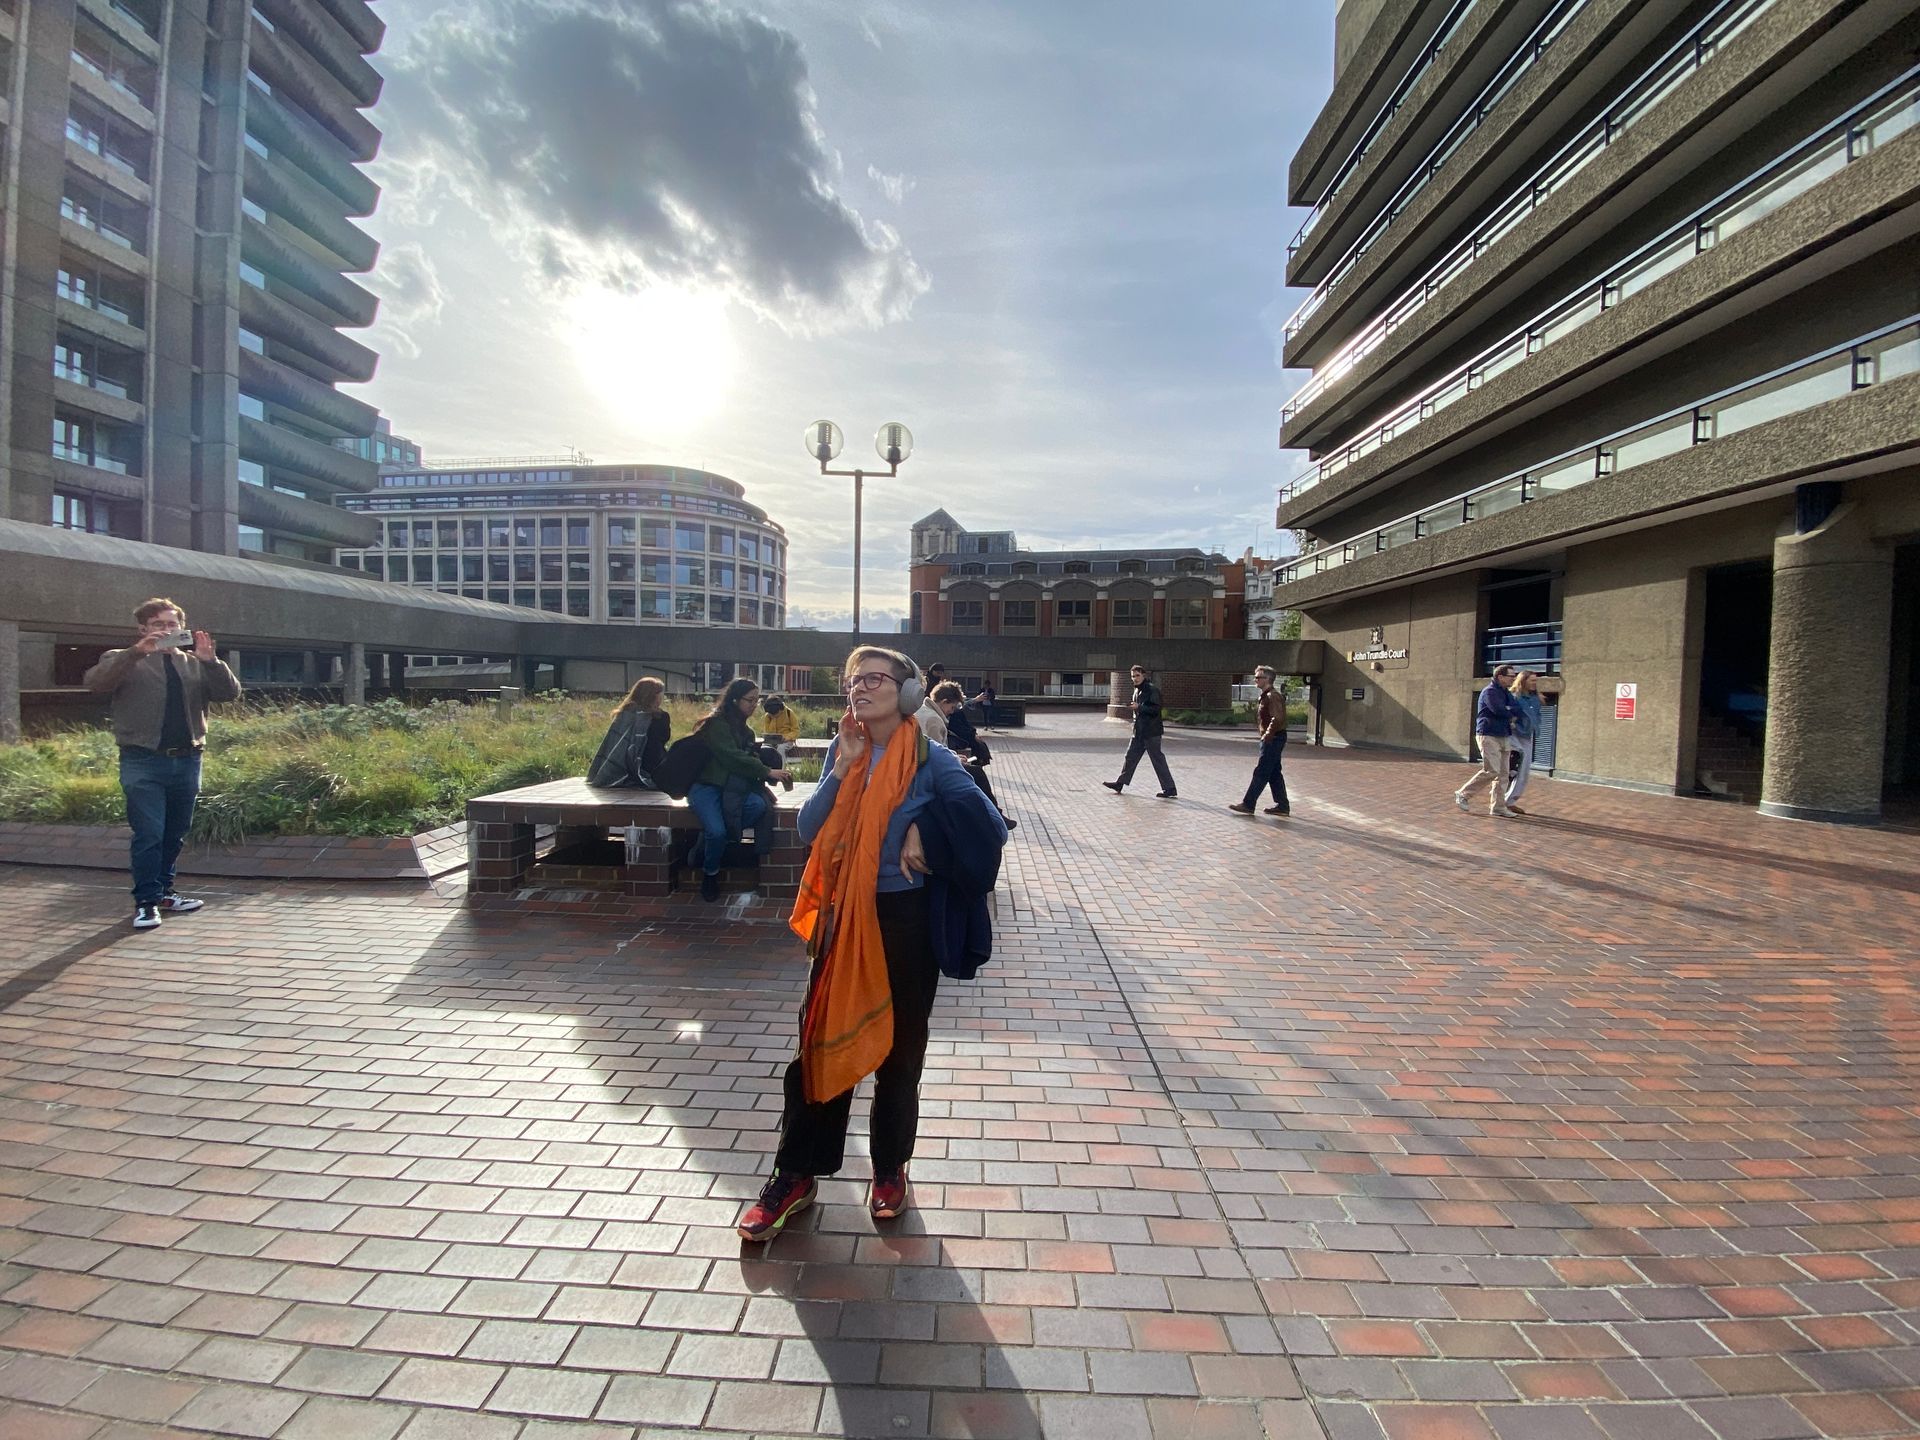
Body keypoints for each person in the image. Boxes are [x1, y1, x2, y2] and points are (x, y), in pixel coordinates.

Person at [737, 646, 1006, 1241]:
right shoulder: (844, 749)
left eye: (874, 679)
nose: (859, 688)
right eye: (853, 680)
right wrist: (841, 769)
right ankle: (796, 1173)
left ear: (907, 692)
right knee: (818, 1042)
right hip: (843, 917)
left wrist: (926, 830)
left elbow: (989, 825)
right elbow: (808, 828)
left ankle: (889, 1168)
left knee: (901, 1050)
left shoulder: (933, 759)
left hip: (906, 918)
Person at [83, 598, 241, 930]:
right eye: (158, 625)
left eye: (172, 624)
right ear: (143, 629)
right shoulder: (123, 658)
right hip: (142, 760)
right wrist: (136, 652)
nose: (166, 630)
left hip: (187, 759)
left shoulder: (194, 663)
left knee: (174, 833)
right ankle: (146, 902)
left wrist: (212, 662)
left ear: (182, 627)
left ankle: (165, 893)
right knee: (149, 834)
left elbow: (229, 693)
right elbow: (96, 683)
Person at [688, 679, 792, 902]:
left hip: (732, 789)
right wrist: (767, 771)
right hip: (706, 787)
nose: (754, 705)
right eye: (750, 700)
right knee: (717, 831)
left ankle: (708, 845)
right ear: (735, 700)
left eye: (757, 700)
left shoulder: (746, 731)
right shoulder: (716, 724)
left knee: (758, 806)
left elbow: (746, 759)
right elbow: (732, 757)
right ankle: (710, 874)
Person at [932, 680, 1016, 830]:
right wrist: (954, 760)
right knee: (976, 775)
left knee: (975, 772)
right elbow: (935, 757)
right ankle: (994, 817)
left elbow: (937, 751)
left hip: (938, 767)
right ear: (944, 702)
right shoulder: (933, 720)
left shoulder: (932, 715)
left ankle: (994, 815)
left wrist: (954, 757)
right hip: (936, 773)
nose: (952, 711)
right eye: (952, 707)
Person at [1455, 664, 1519, 818]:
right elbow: (1499, 710)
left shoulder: (1506, 693)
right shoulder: (1489, 692)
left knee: (1503, 774)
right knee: (1492, 770)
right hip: (1488, 734)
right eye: (1511, 676)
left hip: (1504, 734)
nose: (1513, 678)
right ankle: (1463, 794)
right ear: (1500, 677)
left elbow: (1517, 709)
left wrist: (1509, 709)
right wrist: (1509, 710)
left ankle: (1498, 807)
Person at [1102, 664, 1176, 798]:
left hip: (1151, 732)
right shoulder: (1137, 690)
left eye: (1137, 675)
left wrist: (1139, 707)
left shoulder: (1152, 690)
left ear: (1143, 675)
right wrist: (1135, 709)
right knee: (1130, 757)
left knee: (1157, 759)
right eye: (1133, 676)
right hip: (1139, 731)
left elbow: (1156, 709)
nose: (1135, 678)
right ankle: (1120, 783)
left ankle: (1170, 788)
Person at [1228, 665, 1290, 817]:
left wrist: (1268, 734)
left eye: (1258, 677)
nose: (1255, 680)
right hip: (1274, 737)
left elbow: (1277, 717)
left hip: (1273, 738)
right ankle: (1282, 806)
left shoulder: (1272, 696)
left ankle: (1248, 804)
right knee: (1274, 772)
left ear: (1267, 679)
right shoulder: (1267, 695)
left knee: (1261, 771)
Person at [586, 676, 669, 787]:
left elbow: (613, 742)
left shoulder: (623, 714)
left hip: (622, 766)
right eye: (660, 694)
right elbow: (664, 738)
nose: (662, 697)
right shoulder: (661, 716)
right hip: (652, 765)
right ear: (654, 696)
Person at [1507, 671, 1543, 814]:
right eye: (1532, 680)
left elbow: (1537, 715)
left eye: (1535, 680)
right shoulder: (1514, 696)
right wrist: (1513, 724)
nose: (1534, 683)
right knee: (1511, 768)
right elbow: (1508, 713)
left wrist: (1536, 725)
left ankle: (1510, 801)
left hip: (1527, 736)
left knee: (1524, 771)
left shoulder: (1535, 698)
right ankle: (1499, 800)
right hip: (1514, 735)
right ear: (1523, 681)